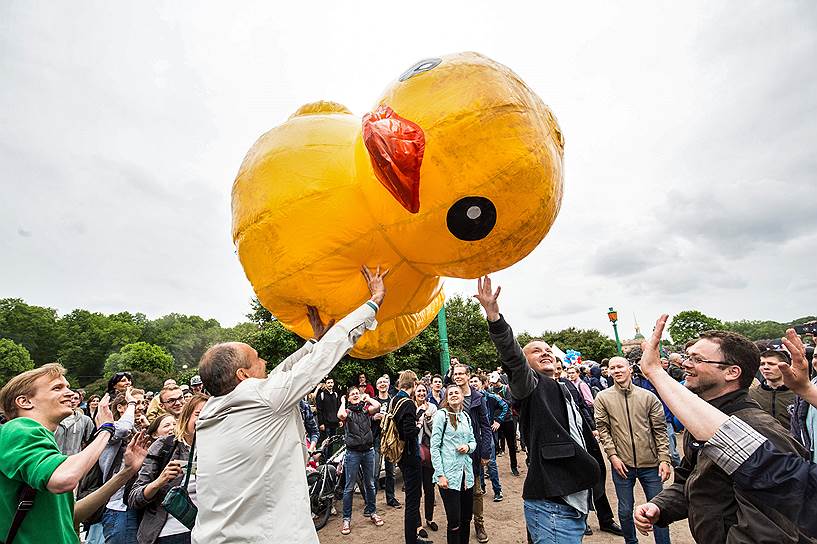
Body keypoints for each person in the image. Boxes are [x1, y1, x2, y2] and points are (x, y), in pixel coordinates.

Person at [191, 266, 386, 544]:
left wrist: (313, 342)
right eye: (257, 359)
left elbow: (282, 374)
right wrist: (373, 302)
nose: (266, 363)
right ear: (243, 376)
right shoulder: (261, 399)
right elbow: (322, 359)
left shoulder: (211, 410)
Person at [634, 319, 817, 540]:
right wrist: (661, 506)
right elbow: (691, 480)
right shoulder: (700, 422)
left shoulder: (758, 428)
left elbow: (770, 529)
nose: (685, 364)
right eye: (687, 357)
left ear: (732, 372)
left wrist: (655, 372)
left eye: (697, 359)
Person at [474, 276, 599, 544]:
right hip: (553, 504)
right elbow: (514, 360)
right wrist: (494, 317)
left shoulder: (565, 386)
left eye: (547, 350)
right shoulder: (530, 386)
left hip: (574, 497)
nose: (545, 353)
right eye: (535, 351)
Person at [0, 363, 148, 544]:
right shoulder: (20, 428)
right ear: (25, 401)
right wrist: (106, 430)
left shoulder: (41, 442)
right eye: (57, 388)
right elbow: (64, 479)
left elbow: (70, 516)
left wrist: (126, 472)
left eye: (68, 387)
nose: (70, 393)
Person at [594, 357, 672, 544]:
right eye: (612, 368)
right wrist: (613, 456)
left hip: (651, 464)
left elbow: (660, 430)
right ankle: (631, 541)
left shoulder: (648, 396)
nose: (616, 370)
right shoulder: (603, 397)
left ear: (629, 368)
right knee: (625, 510)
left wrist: (664, 458)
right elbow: (603, 429)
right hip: (622, 464)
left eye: (620, 366)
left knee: (657, 510)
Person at [552, 360, 623, 537]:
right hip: (565, 442)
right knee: (576, 481)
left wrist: (592, 428)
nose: (557, 372)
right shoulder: (542, 388)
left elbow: (582, 407)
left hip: (585, 436)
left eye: (559, 369)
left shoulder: (568, 384)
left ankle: (606, 519)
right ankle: (582, 520)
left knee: (597, 474)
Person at [128, 394, 207, 544]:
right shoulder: (165, 446)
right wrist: (160, 481)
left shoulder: (219, 448)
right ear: (186, 417)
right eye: (198, 414)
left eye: (209, 414)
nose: (204, 419)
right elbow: (134, 498)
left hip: (208, 533)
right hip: (170, 533)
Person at [450, 364, 492, 543]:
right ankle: (459, 524)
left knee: (475, 491)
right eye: (455, 374)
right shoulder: (450, 395)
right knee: (456, 491)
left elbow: (485, 426)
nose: (458, 376)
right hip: (453, 453)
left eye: (461, 374)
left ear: (468, 376)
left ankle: (479, 524)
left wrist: (485, 452)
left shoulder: (477, 398)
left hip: (473, 453)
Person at [100, 388, 148, 544]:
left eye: (142, 403)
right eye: (135, 403)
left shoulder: (138, 429)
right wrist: (132, 404)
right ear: (120, 407)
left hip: (139, 504)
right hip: (119, 508)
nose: (140, 407)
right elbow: (123, 429)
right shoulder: (109, 430)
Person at [430, 385, 477, 544]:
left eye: (457, 392)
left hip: (466, 475)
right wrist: (440, 475)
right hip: (448, 476)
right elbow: (434, 447)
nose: (454, 395)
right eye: (450, 393)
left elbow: (473, 441)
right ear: (446, 398)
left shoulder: (466, 416)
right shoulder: (441, 415)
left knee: (466, 516)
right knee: (454, 519)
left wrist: (468, 447)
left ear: (462, 396)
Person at [337, 385, 383, 534]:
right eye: (353, 394)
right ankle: (346, 519)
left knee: (370, 484)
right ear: (349, 397)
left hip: (368, 451)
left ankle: (373, 512)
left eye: (357, 393)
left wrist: (367, 397)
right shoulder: (348, 412)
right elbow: (341, 415)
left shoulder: (365, 410)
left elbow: (378, 405)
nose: (356, 395)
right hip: (353, 453)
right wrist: (343, 401)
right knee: (349, 487)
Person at [393, 370, 431, 544]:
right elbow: (408, 432)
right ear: (414, 384)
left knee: (411, 498)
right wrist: (419, 423)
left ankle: (412, 538)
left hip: (401, 455)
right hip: (410, 456)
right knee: (413, 501)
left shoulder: (395, 399)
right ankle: (412, 540)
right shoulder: (407, 402)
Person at [469, 376, 503, 502]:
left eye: (475, 381)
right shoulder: (469, 397)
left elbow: (504, 405)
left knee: (491, 462)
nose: (473, 384)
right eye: (471, 381)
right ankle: (481, 487)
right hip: (475, 437)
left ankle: (497, 490)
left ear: (482, 383)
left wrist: (498, 420)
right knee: (478, 463)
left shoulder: (489, 396)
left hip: (487, 434)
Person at [748, 349, 796, 429]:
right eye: (762, 364)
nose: (766, 367)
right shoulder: (751, 394)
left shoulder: (798, 394)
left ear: (785, 366)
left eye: (771, 364)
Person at [372, 375, 400, 508]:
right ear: (377, 386)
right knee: (375, 471)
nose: (383, 384)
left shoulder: (393, 401)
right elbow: (366, 417)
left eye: (385, 382)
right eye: (380, 382)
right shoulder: (373, 401)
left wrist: (387, 418)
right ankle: (371, 503)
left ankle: (391, 498)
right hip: (377, 438)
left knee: (391, 471)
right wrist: (373, 417)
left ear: (388, 385)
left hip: (390, 439)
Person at [414, 382, 438, 536]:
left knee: (430, 489)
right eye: (419, 391)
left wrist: (428, 418)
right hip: (415, 453)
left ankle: (429, 518)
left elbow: (435, 430)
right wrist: (419, 414)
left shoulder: (433, 408)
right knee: (417, 491)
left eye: (424, 390)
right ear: (414, 393)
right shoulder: (410, 407)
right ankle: (418, 525)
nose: (422, 393)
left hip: (429, 452)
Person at [484, 374, 518, 477]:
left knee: (511, 445)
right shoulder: (490, 390)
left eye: (495, 382)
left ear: (499, 379)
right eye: (492, 382)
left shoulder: (506, 388)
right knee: (492, 445)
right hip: (494, 421)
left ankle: (514, 466)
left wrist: (500, 399)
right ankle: (490, 470)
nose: (494, 384)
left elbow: (510, 403)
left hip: (507, 419)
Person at [54, 390, 96, 456]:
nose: (72, 401)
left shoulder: (85, 420)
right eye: (70, 397)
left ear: (79, 401)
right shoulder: (52, 419)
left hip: (74, 461)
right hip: (53, 460)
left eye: (76, 398)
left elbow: (91, 441)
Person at [315, 378, 342, 445]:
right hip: (326, 424)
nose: (330, 384)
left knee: (332, 443)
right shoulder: (321, 395)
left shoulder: (335, 394)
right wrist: (321, 423)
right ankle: (325, 455)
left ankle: (331, 455)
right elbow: (319, 410)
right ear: (325, 384)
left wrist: (340, 420)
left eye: (331, 382)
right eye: (328, 383)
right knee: (326, 444)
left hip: (335, 423)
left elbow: (338, 408)